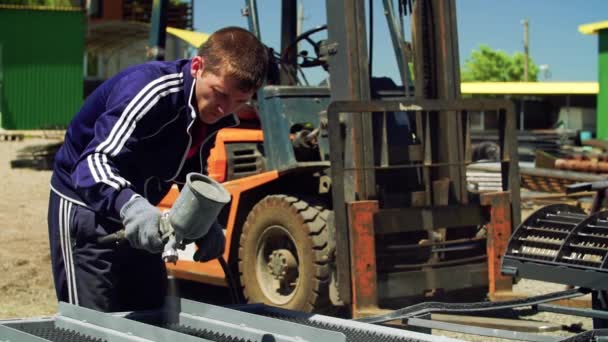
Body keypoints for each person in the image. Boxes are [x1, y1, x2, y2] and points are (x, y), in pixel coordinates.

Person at [47, 26, 268, 312]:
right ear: (197, 66)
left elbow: (188, 163)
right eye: (219, 94)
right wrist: (133, 208)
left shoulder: (213, 113)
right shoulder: (150, 89)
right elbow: (92, 163)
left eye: (239, 102)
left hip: (141, 209)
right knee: (92, 324)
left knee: (149, 312)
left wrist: (201, 218)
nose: (223, 109)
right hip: (86, 206)